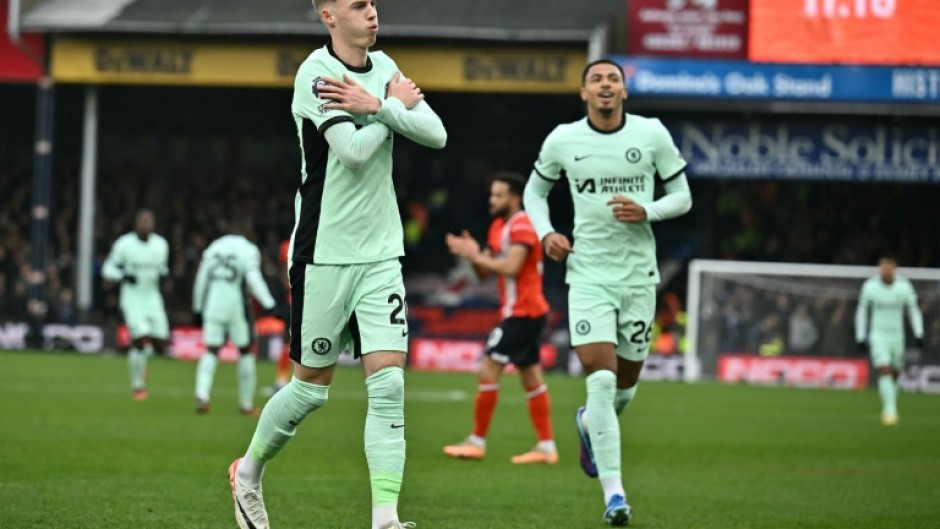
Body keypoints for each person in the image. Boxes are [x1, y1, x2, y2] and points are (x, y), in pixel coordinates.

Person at [227, 1, 446, 528]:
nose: (372, 12)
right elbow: (350, 150)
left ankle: (386, 518)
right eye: (358, 5)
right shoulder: (316, 72)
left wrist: (378, 103)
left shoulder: (386, 68)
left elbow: (436, 133)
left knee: (389, 384)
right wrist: (389, 110)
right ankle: (248, 472)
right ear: (328, 15)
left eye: (373, 3)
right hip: (323, 252)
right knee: (309, 389)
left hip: (381, 253)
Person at [523, 59, 692, 526]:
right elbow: (534, 194)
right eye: (596, 79)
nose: (604, 85)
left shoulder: (651, 134)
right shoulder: (562, 139)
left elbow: (683, 196)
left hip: (639, 278)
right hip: (588, 275)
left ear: (623, 92)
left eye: (612, 79)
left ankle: (585, 424)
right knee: (599, 378)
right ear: (583, 93)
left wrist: (649, 210)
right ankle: (614, 495)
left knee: (623, 391)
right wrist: (546, 234)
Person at [442, 172, 557, 465]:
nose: (492, 200)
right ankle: (546, 447)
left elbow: (512, 266)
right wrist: (472, 254)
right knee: (531, 376)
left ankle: (477, 441)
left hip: (525, 311)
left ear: (514, 198)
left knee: (489, 366)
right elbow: (485, 272)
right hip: (520, 312)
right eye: (491, 195)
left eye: (498, 195)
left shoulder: (522, 223)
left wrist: (478, 257)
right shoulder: (497, 226)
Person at [192, 221, 277, 415]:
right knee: (246, 351)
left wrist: (197, 306)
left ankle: (202, 394)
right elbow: (253, 279)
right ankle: (246, 404)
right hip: (236, 308)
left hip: (213, 306)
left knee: (211, 350)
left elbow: (201, 278)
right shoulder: (248, 249)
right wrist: (269, 304)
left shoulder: (214, 247)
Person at [101, 209, 170, 400]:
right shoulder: (124, 244)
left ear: (153, 224)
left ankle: (141, 364)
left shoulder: (161, 245)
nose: (146, 224)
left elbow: (162, 269)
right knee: (139, 339)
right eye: (143, 221)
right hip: (132, 299)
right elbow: (107, 269)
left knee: (160, 345)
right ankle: (137, 386)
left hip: (153, 299)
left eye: (149, 221)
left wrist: (165, 276)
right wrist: (122, 275)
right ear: (137, 223)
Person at [854, 255, 924, 426]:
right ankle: (890, 410)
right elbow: (862, 311)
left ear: (894, 268)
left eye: (889, 267)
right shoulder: (870, 287)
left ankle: (891, 406)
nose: (885, 270)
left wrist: (919, 332)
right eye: (883, 267)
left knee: (895, 372)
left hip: (897, 336)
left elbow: (913, 309)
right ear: (879, 268)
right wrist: (860, 335)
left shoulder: (904, 287)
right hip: (878, 335)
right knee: (884, 369)